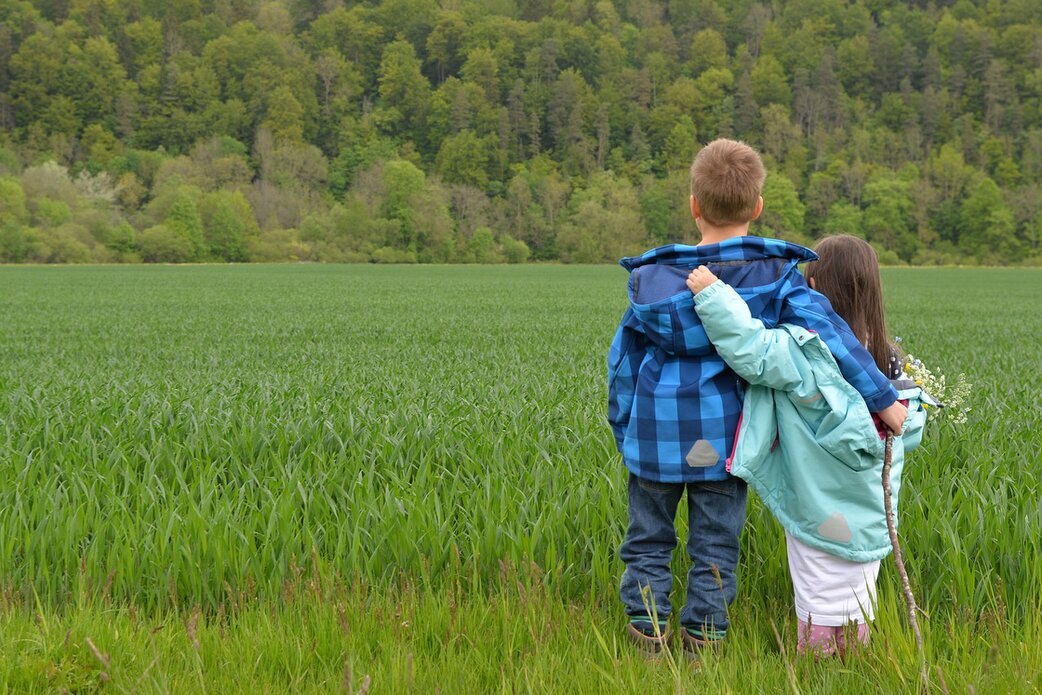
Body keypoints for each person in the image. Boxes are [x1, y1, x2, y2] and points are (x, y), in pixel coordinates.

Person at [608, 140, 907, 658]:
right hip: (727, 440)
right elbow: (833, 337)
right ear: (758, 207)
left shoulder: (651, 282)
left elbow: (623, 366)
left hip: (654, 438)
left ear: (694, 206)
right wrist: (883, 398)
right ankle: (704, 641)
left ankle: (647, 635)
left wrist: (625, 429)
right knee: (716, 545)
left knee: (647, 539)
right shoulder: (775, 277)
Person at [685, 234, 931, 658]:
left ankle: (815, 666)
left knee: (818, 589)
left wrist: (713, 295)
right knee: (858, 593)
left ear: (812, 289)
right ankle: (855, 666)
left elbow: (751, 348)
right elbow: (905, 427)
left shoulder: (806, 351)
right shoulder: (889, 361)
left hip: (816, 503)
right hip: (871, 510)